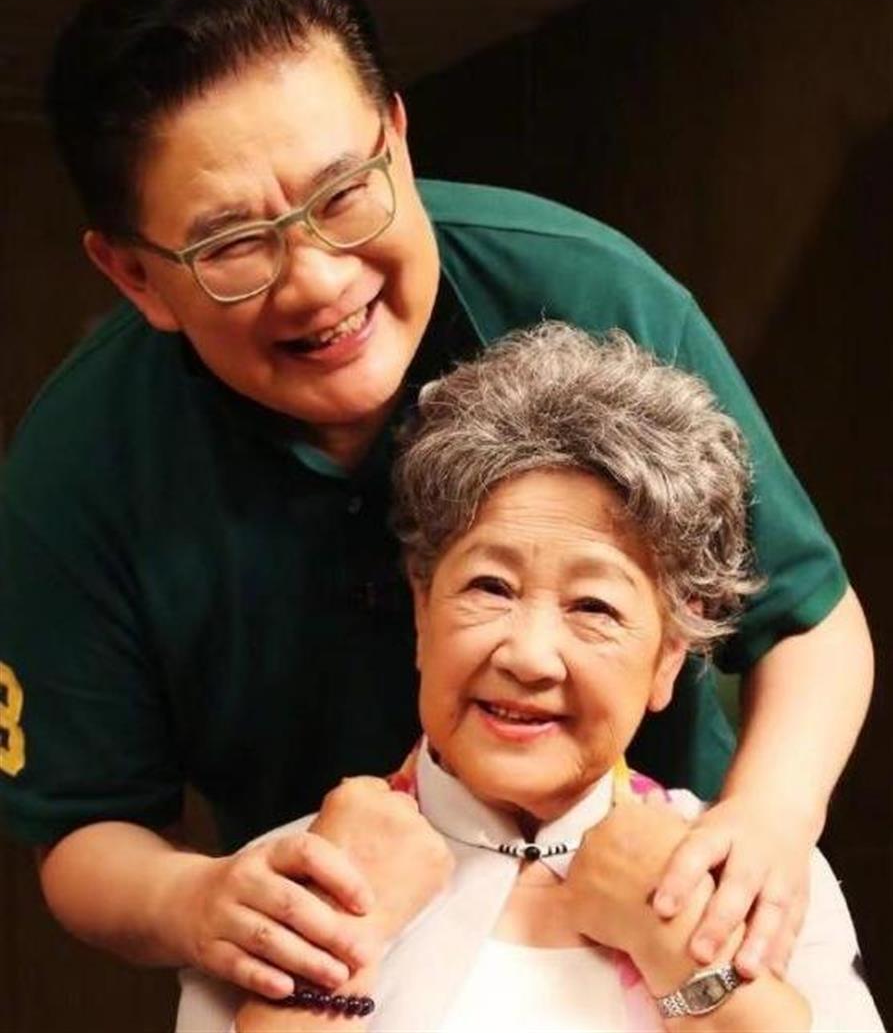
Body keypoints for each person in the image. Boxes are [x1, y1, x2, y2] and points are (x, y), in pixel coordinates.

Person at [0, 0, 873, 1007]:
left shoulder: (593, 296)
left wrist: (764, 826)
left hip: (650, 897)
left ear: (399, 139)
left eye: (343, 195)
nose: (319, 281)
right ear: (134, 274)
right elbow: (82, 831)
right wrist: (205, 902)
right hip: (336, 936)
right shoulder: (79, 470)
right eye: (231, 244)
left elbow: (809, 622)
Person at [177, 324, 882, 1032]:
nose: (529, 656)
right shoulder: (277, 882)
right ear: (422, 608)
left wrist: (685, 955)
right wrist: (336, 945)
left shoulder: (754, 879)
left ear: (669, 654)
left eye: (593, 607)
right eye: (490, 587)